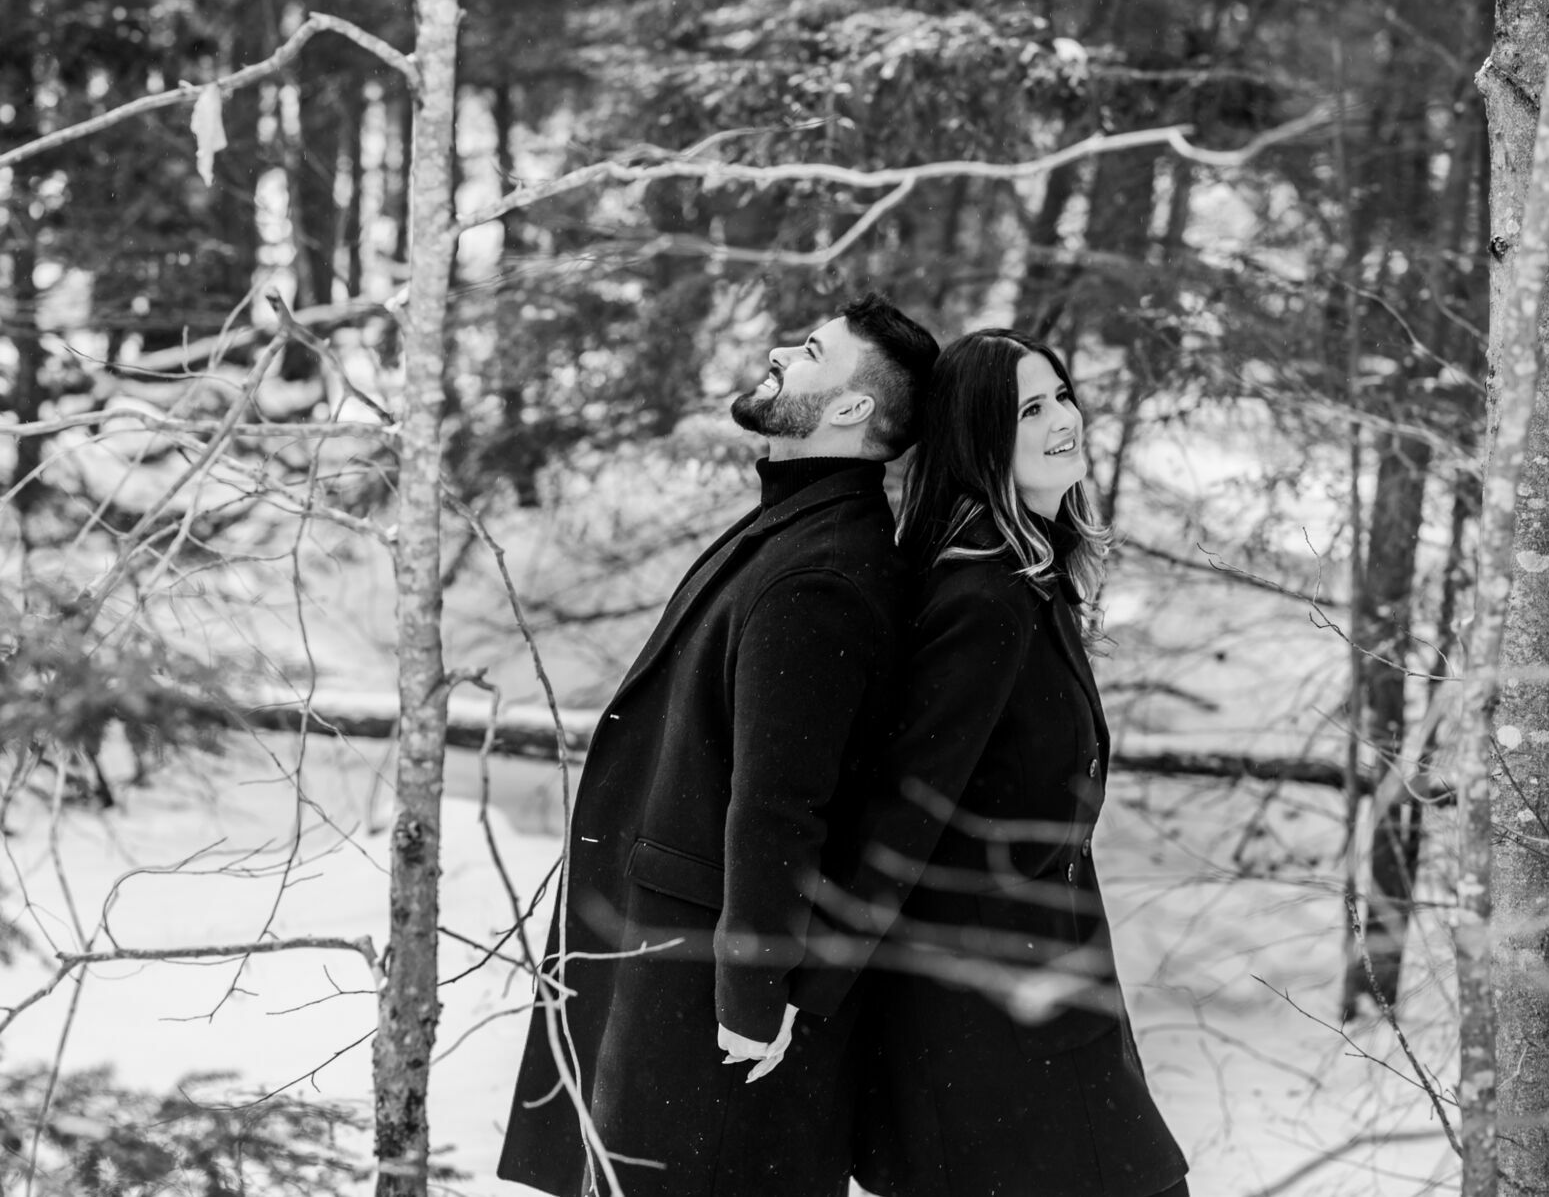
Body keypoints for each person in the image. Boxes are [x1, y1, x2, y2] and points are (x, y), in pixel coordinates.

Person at [497, 293, 939, 1197]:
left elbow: (782, 805)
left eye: (810, 352)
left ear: (853, 407)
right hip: (667, 962)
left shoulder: (822, 574)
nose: (780, 352)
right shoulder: (792, 529)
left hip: (705, 1002)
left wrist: (752, 995)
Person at [808, 328, 1188, 1197]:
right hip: (986, 1016)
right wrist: (808, 989)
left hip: (1047, 992)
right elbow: (906, 806)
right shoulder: (983, 595)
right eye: (1030, 410)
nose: (1064, 419)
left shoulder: (1029, 578)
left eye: (1061, 396)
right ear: (980, 440)